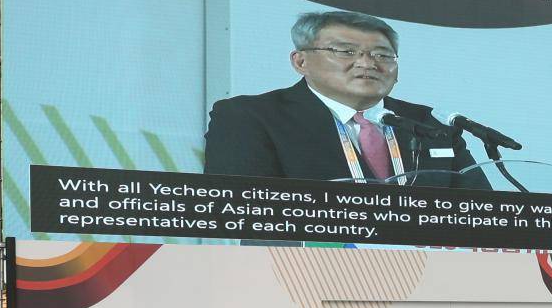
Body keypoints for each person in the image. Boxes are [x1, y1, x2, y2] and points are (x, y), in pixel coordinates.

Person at [202, 10, 486, 188]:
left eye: (382, 55)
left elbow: (480, 209)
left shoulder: (430, 123)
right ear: (301, 61)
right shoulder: (249, 117)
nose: (367, 63)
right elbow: (242, 206)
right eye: (346, 52)